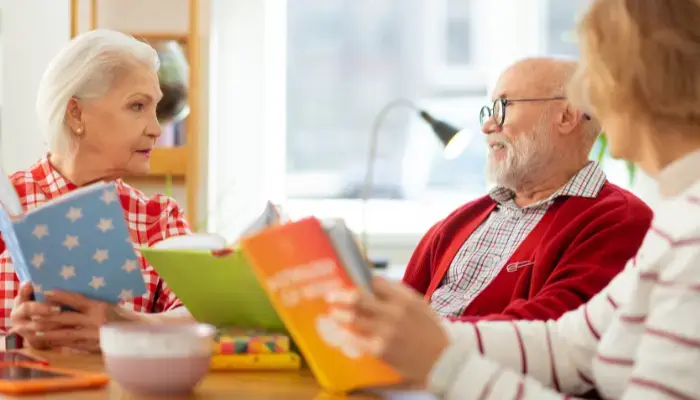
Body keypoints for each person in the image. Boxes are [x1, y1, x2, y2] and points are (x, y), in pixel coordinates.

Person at [330, 0, 700, 398]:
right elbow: (566, 346)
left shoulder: (682, 233)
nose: (591, 97)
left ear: (644, 82)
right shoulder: (679, 217)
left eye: (598, 72)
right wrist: (411, 340)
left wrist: (442, 362)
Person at [403, 57, 652, 322]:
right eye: (490, 110)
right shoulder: (455, 224)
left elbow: (551, 331)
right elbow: (398, 313)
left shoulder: (620, 221)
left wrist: (428, 336)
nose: (488, 126)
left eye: (503, 106)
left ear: (566, 116)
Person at [3, 29, 195, 353]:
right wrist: (14, 336)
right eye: (137, 106)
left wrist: (123, 323)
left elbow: (203, 320)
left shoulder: (158, 219)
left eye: (154, 108)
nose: (156, 128)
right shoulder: (8, 206)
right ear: (76, 113)